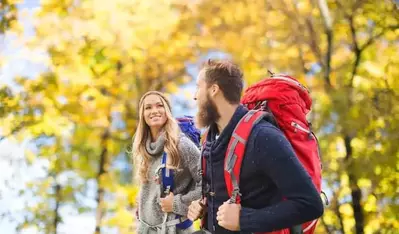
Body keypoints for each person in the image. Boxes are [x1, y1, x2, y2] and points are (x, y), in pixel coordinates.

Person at [187, 60, 324, 233]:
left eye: (198, 87)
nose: (194, 96)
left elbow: (310, 204)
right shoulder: (209, 139)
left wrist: (244, 219)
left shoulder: (263, 137)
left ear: (214, 90)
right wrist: (204, 206)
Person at [132, 91, 202, 234]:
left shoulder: (181, 145)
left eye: (160, 106)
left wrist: (177, 203)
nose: (155, 111)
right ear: (142, 115)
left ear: (167, 111)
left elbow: (209, 184)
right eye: (148, 107)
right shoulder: (145, 150)